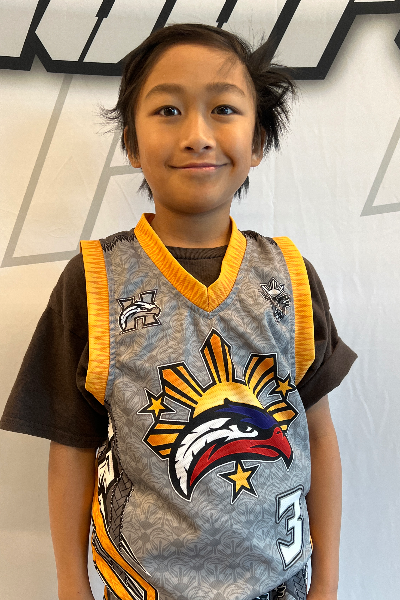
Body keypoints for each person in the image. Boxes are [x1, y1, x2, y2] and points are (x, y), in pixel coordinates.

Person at [0, 23, 357, 600]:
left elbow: (317, 434)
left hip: (281, 584)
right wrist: (70, 583)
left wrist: (328, 582)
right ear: (131, 143)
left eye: (223, 109)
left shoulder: (289, 278)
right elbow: (71, 446)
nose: (197, 135)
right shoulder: (93, 281)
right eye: (168, 110)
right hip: (140, 587)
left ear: (259, 140)